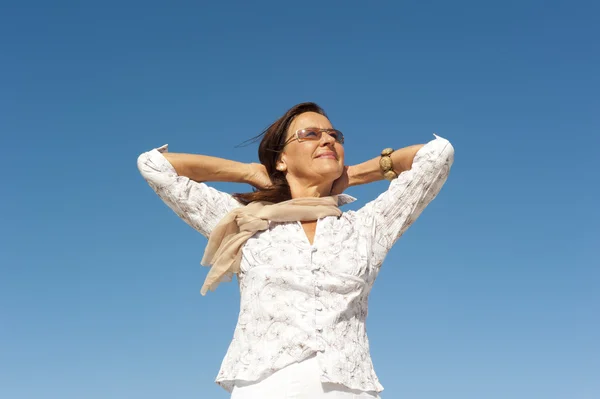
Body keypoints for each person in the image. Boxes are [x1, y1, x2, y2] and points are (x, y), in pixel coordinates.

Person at [137, 102, 454, 398]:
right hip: (263, 385)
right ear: (281, 158)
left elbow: (438, 154)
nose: (327, 140)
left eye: (334, 135)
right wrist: (250, 172)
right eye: (310, 134)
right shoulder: (246, 220)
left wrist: (354, 175)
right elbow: (154, 165)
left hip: (349, 388)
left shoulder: (367, 227)